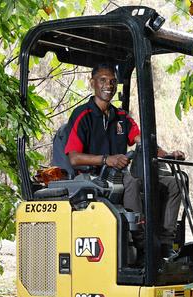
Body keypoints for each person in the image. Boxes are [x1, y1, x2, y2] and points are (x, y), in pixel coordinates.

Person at [63, 62, 184, 258]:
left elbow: (142, 141)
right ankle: (143, 246)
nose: (108, 85)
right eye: (103, 80)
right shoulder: (82, 115)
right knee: (131, 182)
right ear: (92, 83)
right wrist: (106, 159)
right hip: (92, 177)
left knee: (173, 183)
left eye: (112, 81)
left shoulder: (120, 116)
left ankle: (166, 243)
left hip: (119, 173)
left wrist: (168, 154)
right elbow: (74, 158)